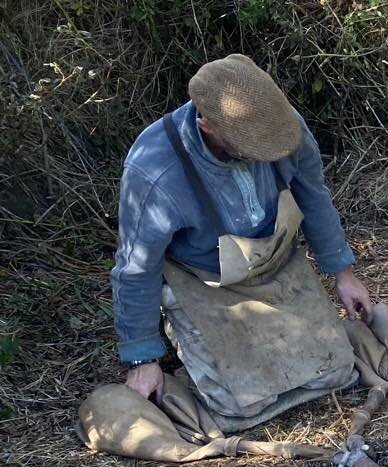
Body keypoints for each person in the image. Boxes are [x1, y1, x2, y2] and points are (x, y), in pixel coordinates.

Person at [108, 53, 372, 432]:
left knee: (332, 375)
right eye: (248, 149)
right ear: (206, 125)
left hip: (277, 262)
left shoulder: (282, 128)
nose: (261, 156)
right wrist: (142, 358)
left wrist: (342, 272)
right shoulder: (155, 171)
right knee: (243, 406)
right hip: (204, 282)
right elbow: (136, 267)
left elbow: (314, 195)